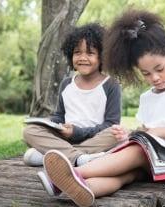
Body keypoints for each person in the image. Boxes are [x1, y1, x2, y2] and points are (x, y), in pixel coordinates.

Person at [41, 9, 165, 207]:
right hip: (151, 160)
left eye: (160, 69)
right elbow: (147, 133)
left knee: (137, 152)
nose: (154, 78)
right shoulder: (148, 97)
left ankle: (72, 174)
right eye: (146, 73)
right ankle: (79, 187)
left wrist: (156, 132)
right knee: (124, 176)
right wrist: (129, 136)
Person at [22, 23, 121, 168]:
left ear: (102, 57)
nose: (83, 58)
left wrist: (77, 132)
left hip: (94, 140)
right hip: (65, 140)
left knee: (115, 134)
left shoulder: (111, 85)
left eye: (90, 53)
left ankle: (55, 156)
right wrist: (51, 124)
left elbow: (111, 124)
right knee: (29, 131)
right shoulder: (67, 84)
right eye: (77, 52)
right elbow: (59, 116)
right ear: (71, 55)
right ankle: (79, 158)